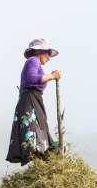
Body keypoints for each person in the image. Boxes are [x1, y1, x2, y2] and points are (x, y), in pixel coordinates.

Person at [6, 38, 61, 166]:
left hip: (33, 99)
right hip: (30, 99)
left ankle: (43, 160)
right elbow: (32, 78)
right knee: (35, 129)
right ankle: (42, 156)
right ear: (40, 51)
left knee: (40, 128)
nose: (49, 57)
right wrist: (52, 76)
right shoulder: (33, 60)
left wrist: (50, 76)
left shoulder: (35, 63)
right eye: (48, 53)